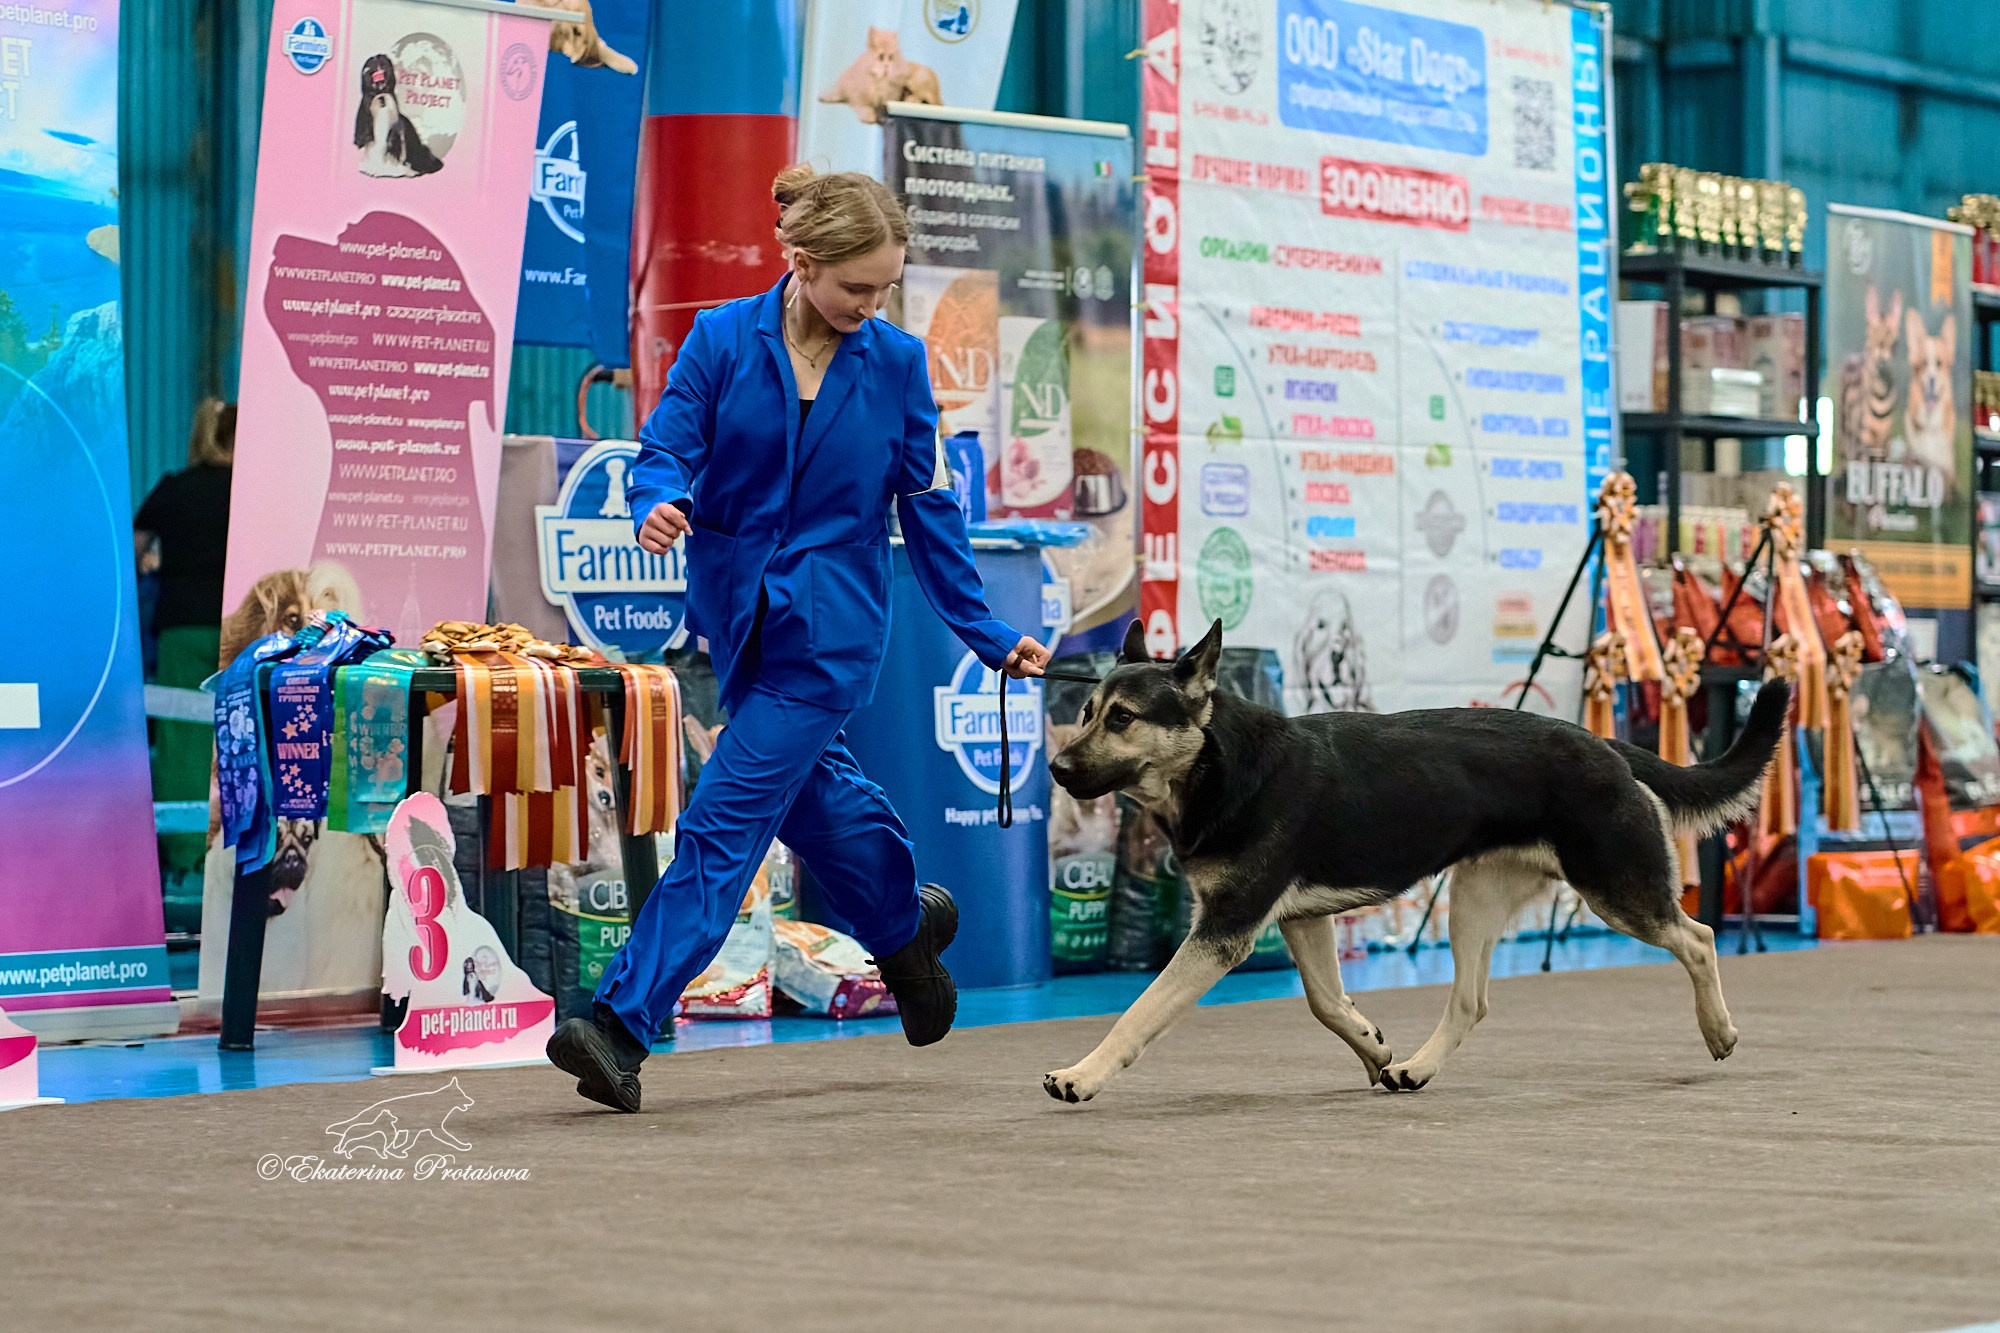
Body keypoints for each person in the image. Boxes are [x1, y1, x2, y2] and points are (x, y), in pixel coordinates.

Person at [547, 165, 1051, 1112]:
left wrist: (986, 633)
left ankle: (619, 1023)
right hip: (738, 621)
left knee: (725, 818)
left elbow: (931, 508)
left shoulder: (898, 365)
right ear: (801, 262)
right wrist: (658, 502)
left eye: (886, 287)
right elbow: (666, 447)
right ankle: (906, 932)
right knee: (812, 805)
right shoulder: (721, 338)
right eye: (857, 286)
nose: (873, 304)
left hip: (833, 633)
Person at [133, 397, 236, 927]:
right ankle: (232, 849)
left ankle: (181, 860)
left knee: (180, 740)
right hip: (239, 626)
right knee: (235, 739)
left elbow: (134, 547)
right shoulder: (248, 490)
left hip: (180, 626)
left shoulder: (173, 488)